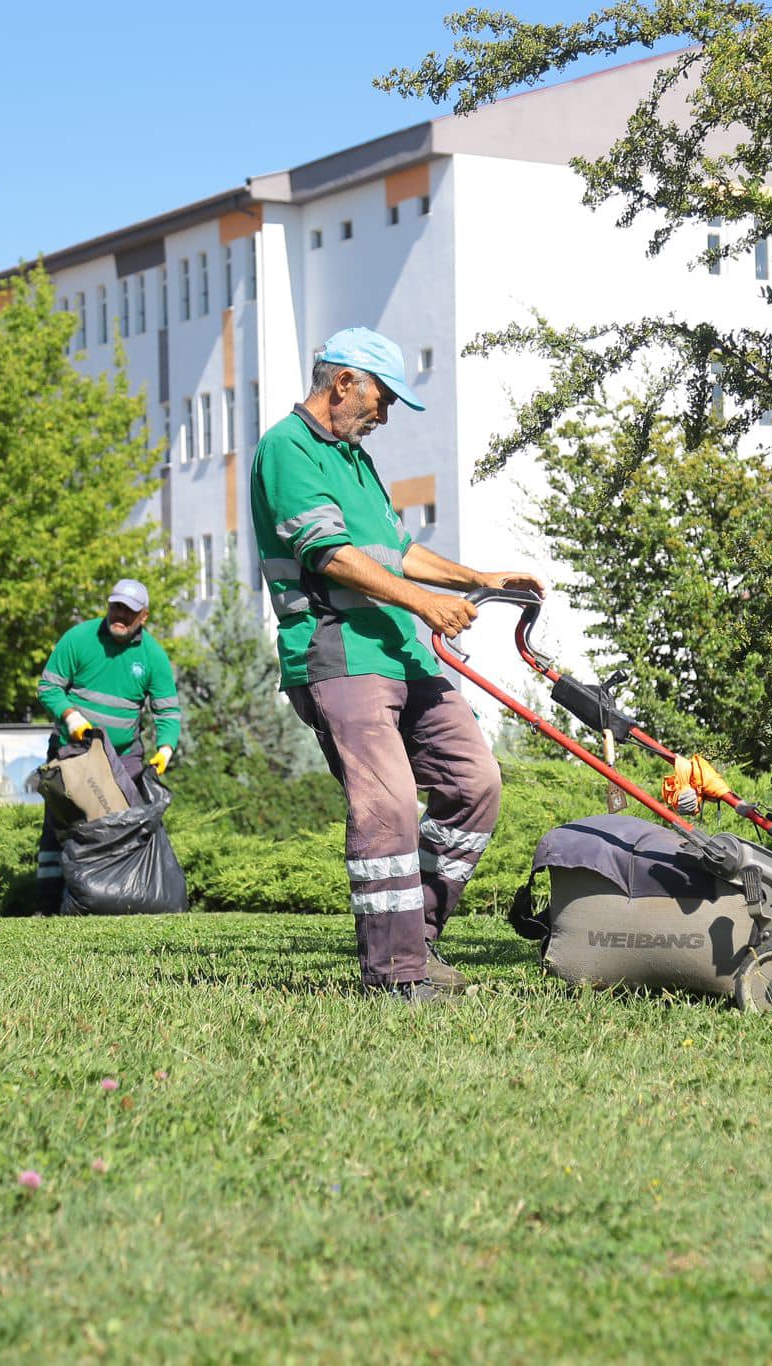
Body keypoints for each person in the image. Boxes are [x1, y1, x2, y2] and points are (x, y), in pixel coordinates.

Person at [253, 326, 543, 1002]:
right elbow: (331, 554)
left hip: (402, 650)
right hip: (339, 650)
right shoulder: (287, 450)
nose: (384, 416)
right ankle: (395, 972)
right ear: (344, 382)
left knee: (475, 783)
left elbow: (397, 550)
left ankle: (421, 934)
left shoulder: (355, 459)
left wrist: (479, 581)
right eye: (382, 400)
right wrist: (425, 603)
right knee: (386, 806)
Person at [33, 579, 182, 912]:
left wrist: (165, 750)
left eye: (129, 612)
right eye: (116, 607)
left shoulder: (153, 656)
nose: (120, 615)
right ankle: (47, 905)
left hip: (124, 759)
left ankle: (115, 901)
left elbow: (168, 712)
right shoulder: (80, 639)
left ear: (143, 616)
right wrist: (71, 718)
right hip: (73, 753)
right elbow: (48, 688)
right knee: (60, 827)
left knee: (122, 831)